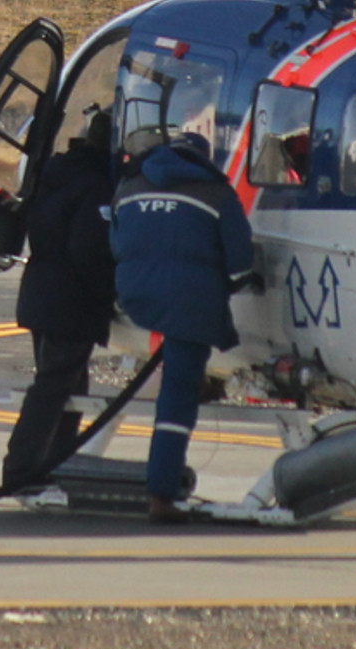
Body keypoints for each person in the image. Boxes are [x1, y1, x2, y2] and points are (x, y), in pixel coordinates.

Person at [109, 113, 257, 524]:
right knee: (177, 398)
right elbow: (241, 262)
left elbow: (117, 242)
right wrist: (238, 284)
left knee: (175, 363)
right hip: (191, 305)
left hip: (136, 298)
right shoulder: (215, 193)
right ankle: (162, 493)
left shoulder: (130, 186)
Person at [2, 109, 120, 491]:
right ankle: (22, 468)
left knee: (68, 386)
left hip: (41, 293)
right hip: (71, 301)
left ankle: (58, 463)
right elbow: (89, 249)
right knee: (55, 386)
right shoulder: (97, 183)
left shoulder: (56, 174)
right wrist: (109, 293)